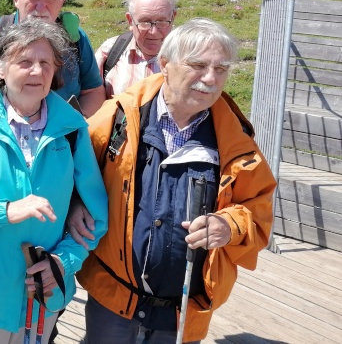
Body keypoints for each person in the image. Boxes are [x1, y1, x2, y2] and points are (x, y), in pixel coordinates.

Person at [71, 18, 276, 344]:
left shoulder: (235, 141)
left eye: (220, 69)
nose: (210, 79)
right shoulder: (119, 117)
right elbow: (73, 175)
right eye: (197, 65)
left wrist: (229, 226)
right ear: (165, 64)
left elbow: (259, 212)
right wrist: (76, 206)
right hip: (113, 298)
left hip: (182, 310)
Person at [0, 18, 109, 344]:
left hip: (43, 295)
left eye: (45, 63)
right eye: (24, 62)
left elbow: (95, 217)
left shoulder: (71, 128)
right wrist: (7, 210)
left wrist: (62, 262)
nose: (36, 72)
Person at [96, 0, 177, 98]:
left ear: (173, 17)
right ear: (130, 20)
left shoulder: (189, 53)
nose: (153, 32)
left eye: (162, 21)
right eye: (145, 22)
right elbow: (90, 95)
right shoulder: (110, 50)